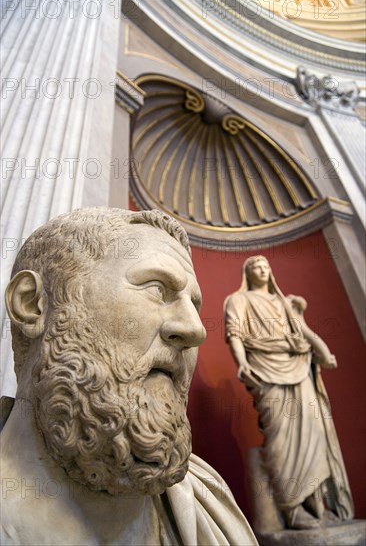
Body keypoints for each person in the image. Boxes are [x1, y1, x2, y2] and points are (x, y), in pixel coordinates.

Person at [1, 207, 258, 546]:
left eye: (194, 304)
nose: (195, 329)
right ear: (32, 304)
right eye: (156, 288)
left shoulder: (209, 508)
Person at [224, 255, 354, 530]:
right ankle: (292, 508)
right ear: (247, 273)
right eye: (256, 266)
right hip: (264, 369)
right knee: (280, 436)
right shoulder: (239, 300)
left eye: (266, 266)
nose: (262, 269)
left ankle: (316, 506)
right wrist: (242, 362)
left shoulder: (282, 303)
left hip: (297, 365)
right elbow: (234, 333)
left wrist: (324, 354)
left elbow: (304, 332)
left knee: (314, 433)